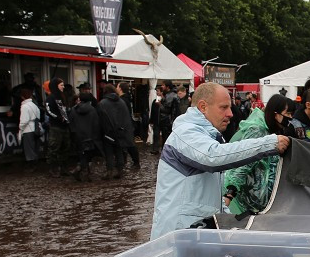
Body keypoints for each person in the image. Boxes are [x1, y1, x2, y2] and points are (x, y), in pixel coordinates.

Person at [151, 82, 290, 240]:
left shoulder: (208, 137)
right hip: (177, 237)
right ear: (203, 107)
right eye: (224, 107)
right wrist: (268, 143)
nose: (231, 114)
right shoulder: (185, 133)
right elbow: (213, 157)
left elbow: (213, 193)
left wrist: (232, 221)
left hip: (193, 234)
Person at [223, 94, 297, 216]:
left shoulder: (272, 129)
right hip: (248, 201)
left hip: (259, 200)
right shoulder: (257, 130)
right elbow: (244, 162)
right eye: (287, 114)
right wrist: (230, 193)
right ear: (275, 113)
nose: (290, 118)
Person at [98, 83, 134, 180]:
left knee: (109, 152)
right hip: (120, 131)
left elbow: (101, 119)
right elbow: (126, 117)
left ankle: (109, 171)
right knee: (119, 150)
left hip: (108, 132)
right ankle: (120, 170)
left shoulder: (102, 103)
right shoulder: (121, 102)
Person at [69, 91, 102, 182]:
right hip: (90, 136)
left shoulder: (73, 109)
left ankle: (81, 169)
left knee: (82, 154)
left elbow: (71, 123)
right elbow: (96, 124)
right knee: (89, 155)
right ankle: (84, 171)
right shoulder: (92, 110)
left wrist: (73, 134)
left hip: (78, 136)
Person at [44, 77, 71, 176]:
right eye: (61, 85)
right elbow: (48, 111)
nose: (63, 87)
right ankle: (53, 169)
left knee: (65, 147)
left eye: (63, 85)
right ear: (56, 86)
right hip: (56, 127)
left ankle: (64, 168)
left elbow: (66, 109)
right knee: (54, 148)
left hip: (65, 126)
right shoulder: (51, 97)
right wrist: (59, 118)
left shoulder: (63, 96)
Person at [117, 81, 141, 169]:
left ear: (120, 88)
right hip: (128, 124)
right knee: (127, 144)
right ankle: (127, 161)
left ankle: (135, 162)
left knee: (130, 144)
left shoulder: (123, 100)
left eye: (117, 86)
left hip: (126, 124)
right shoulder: (126, 98)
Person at [18, 87, 42, 165]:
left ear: (22, 96)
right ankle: (35, 163)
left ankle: (31, 165)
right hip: (36, 128)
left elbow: (24, 120)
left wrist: (20, 128)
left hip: (28, 129)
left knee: (29, 149)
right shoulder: (34, 105)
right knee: (35, 147)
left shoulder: (24, 106)